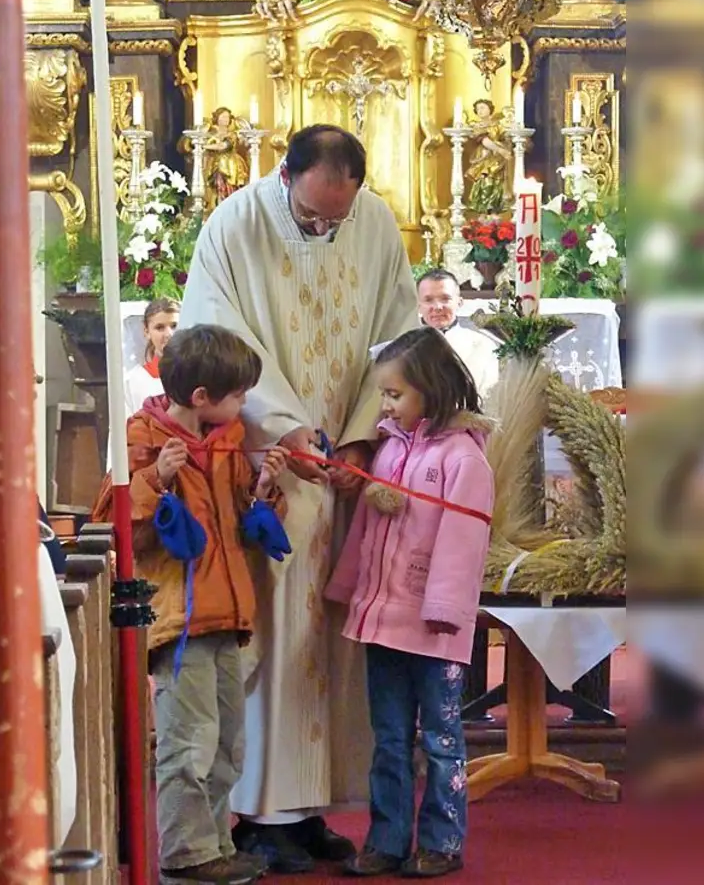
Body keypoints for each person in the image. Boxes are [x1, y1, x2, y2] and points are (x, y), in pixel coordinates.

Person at [177, 123, 417, 872]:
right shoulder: (234, 225)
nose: (326, 228)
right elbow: (214, 335)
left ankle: (309, 807)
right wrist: (288, 430)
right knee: (272, 630)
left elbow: (398, 335)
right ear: (286, 179)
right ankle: (255, 811)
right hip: (269, 466)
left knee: (333, 637)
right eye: (313, 217)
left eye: (336, 219)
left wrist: (357, 435)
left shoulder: (372, 222)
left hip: (344, 465)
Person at [93, 325, 290, 885]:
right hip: (178, 618)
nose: (245, 404)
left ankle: (216, 846)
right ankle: (184, 854)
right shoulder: (141, 435)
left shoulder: (227, 441)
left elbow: (243, 524)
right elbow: (110, 521)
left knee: (228, 740)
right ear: (201, 396)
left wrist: (263, 488)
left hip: (227, 611)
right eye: (238, 394)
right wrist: (156, 476)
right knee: (188, 741)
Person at [325, 328, 493, 879]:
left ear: (431, 388)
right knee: (389, 739)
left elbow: (462, 543)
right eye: (384, 395)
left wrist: (444, 608)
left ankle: (443, 839)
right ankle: (387, 839)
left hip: (434, 625)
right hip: (383, 620)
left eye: (395, 394)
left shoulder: (464, 459)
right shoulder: (390, 446)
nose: (386, 404)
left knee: (442, 738)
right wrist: (349, 588)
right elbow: (368, 530)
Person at [413, 269, 500, 410]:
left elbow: (488, 396)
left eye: (445, 299)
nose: (437, 307)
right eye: (429, 300)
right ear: (418, 305)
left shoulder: (482, 345)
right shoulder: (404, 346)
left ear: (459, 302)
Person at [126, 297, 181, 418]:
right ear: (146, 331)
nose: (169, 334)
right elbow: (123, 429)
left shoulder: (197, 375)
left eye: (174, 326)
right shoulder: (133, 381)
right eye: (160, 327)